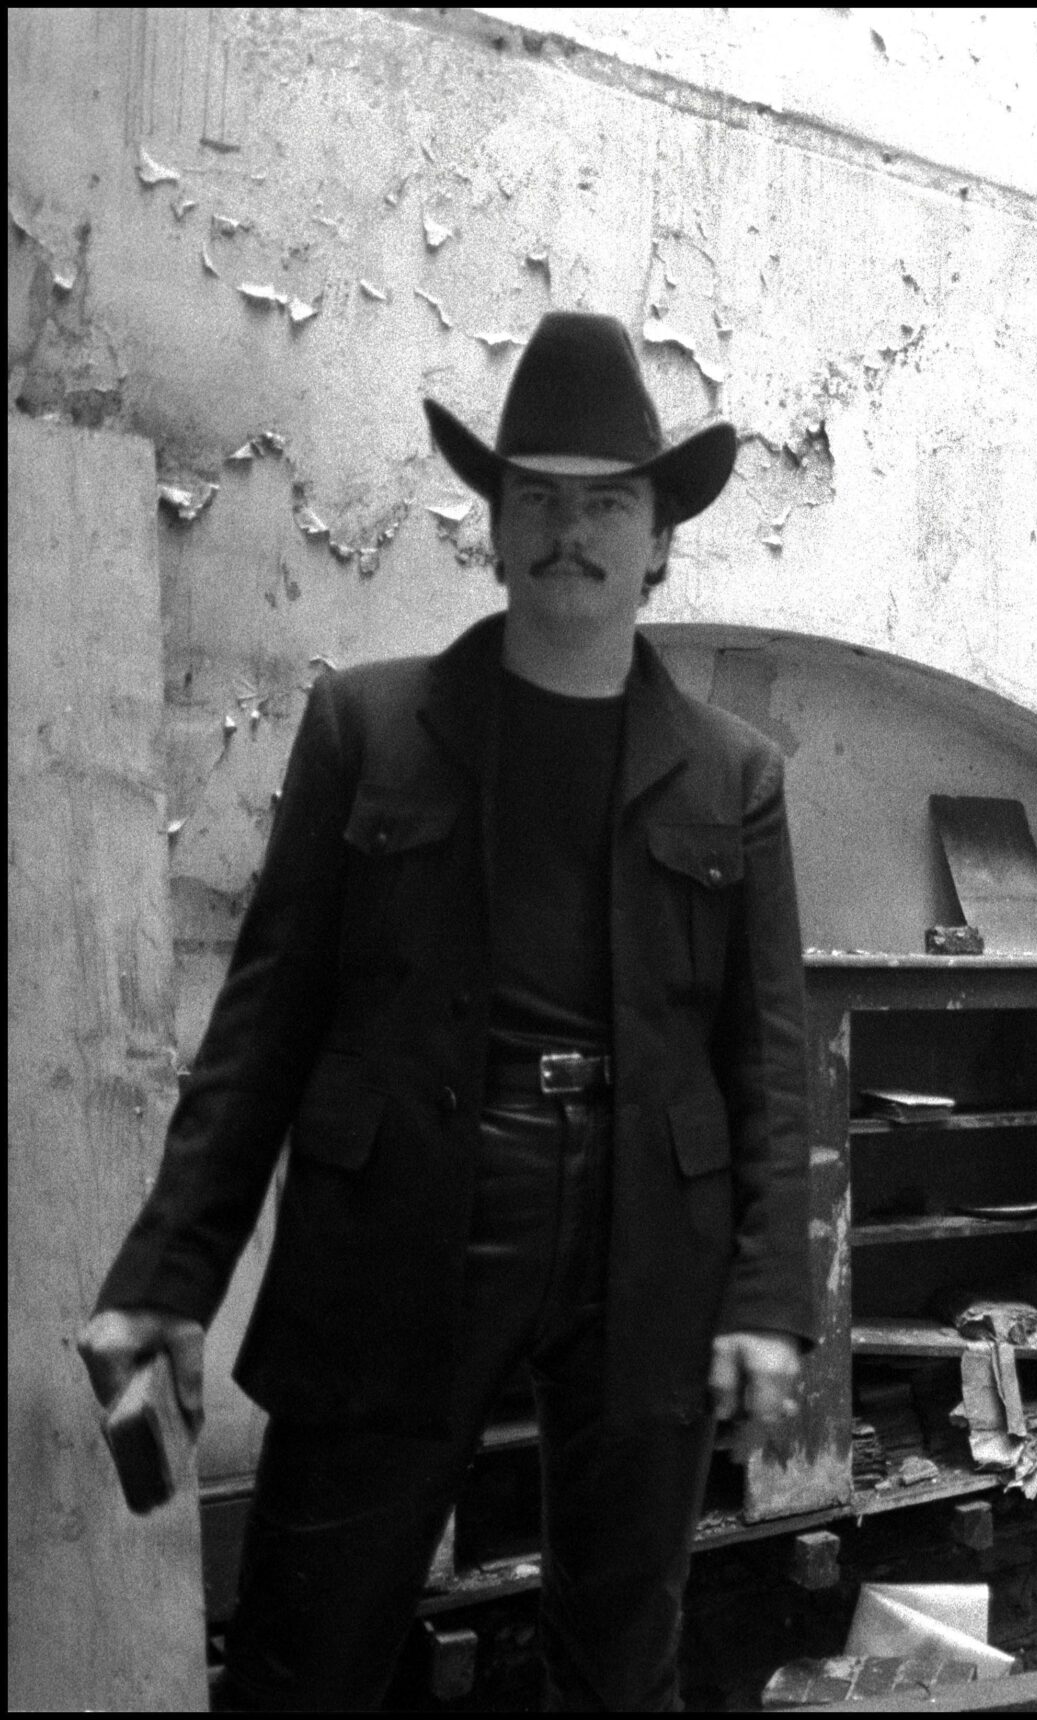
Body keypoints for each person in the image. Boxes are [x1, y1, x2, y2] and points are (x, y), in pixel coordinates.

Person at [76, 311, 814, 1710]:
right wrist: (166, 1277)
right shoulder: (370, 726)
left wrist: (770, 1297)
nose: (570, 529)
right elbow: (262, 1033)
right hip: (407, 1210)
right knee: (310, 1641)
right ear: (491, 520)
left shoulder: (737, 776)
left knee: (622, 1661)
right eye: (537, 494)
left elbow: (766, 1060)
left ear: (661, 537)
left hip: (644, 1235)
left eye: (609, 501)